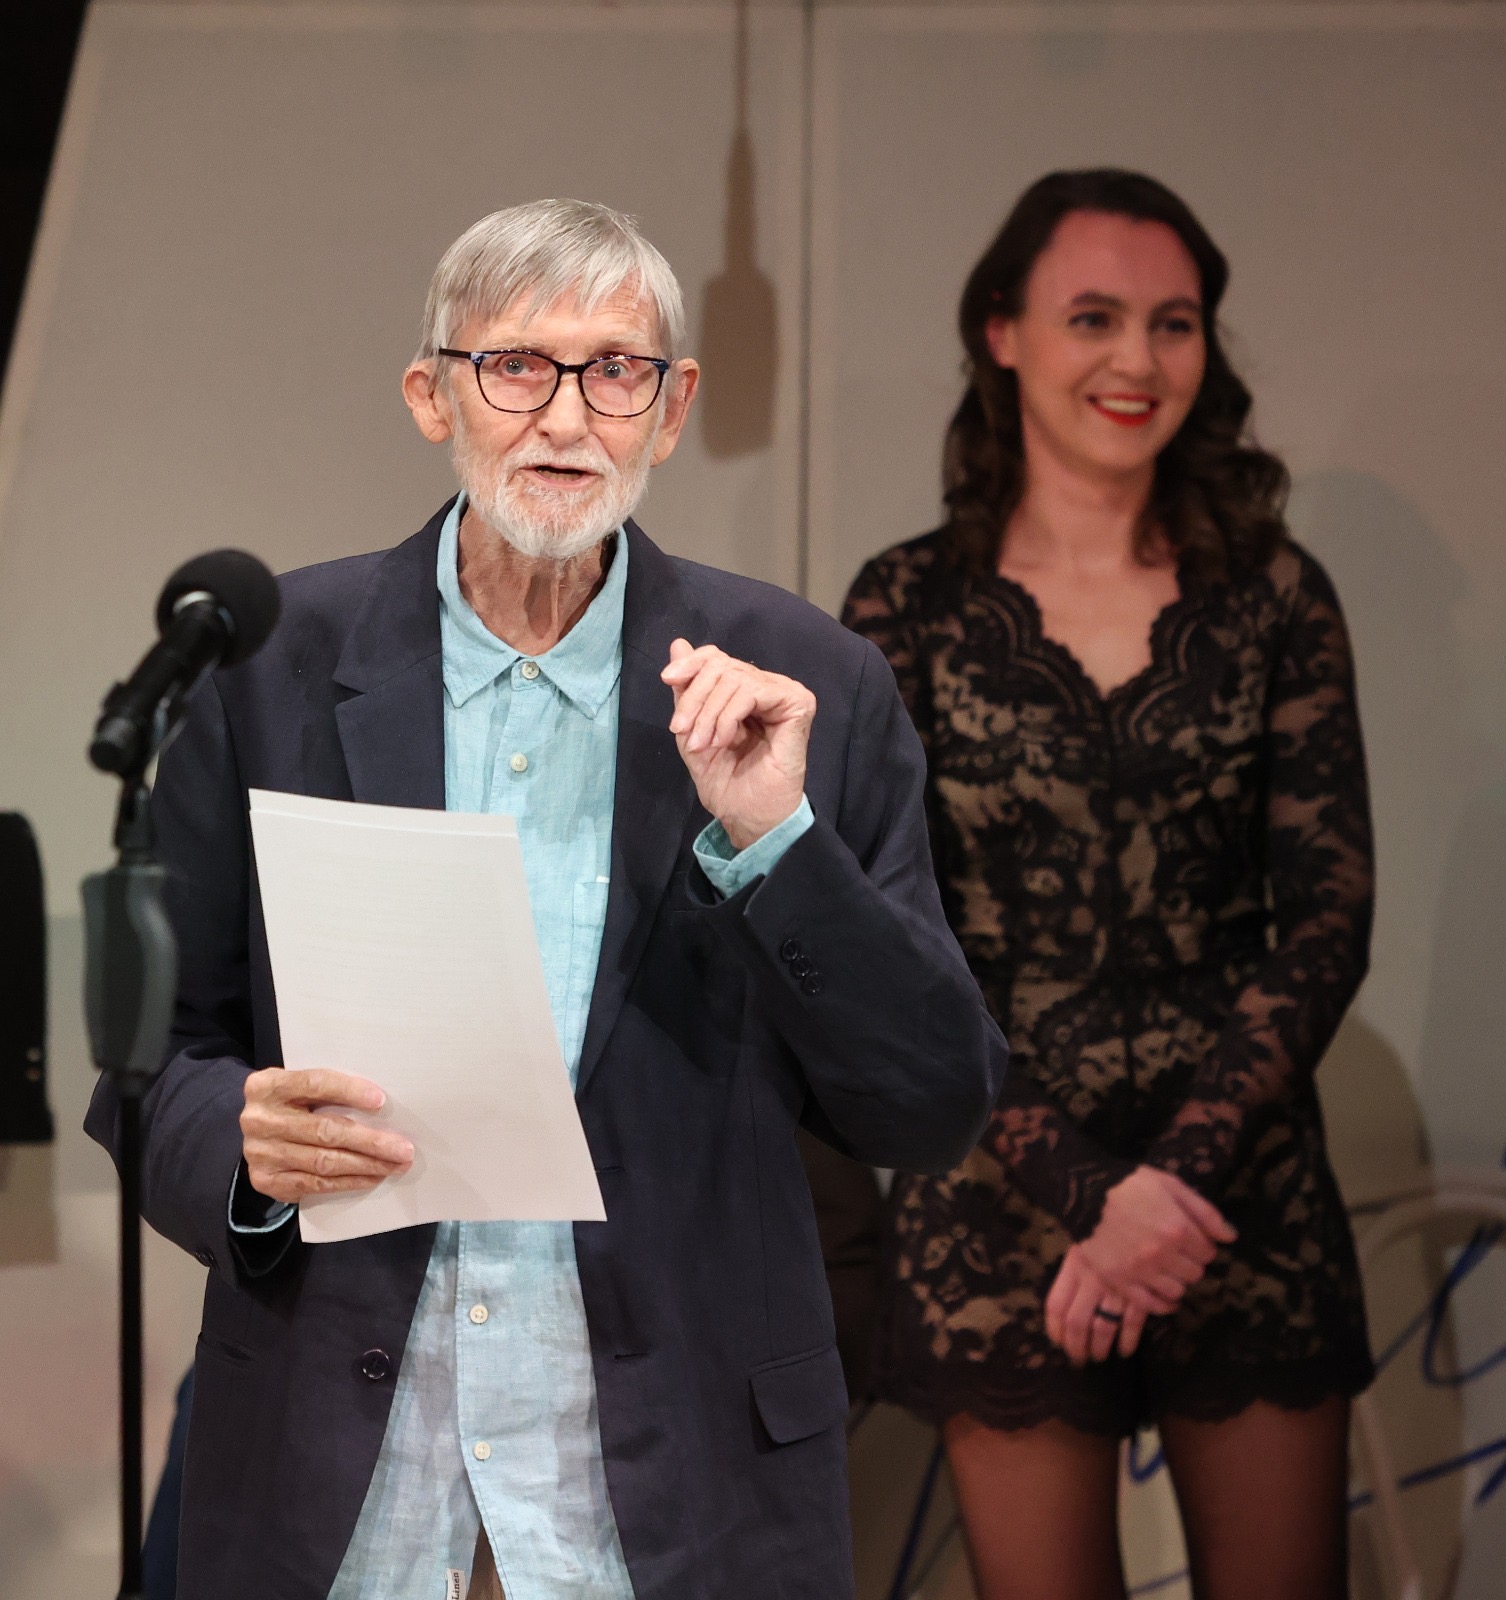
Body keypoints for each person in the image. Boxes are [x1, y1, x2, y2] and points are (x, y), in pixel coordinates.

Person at [86, 198, 1007, 1600]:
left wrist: (775, 839)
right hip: (341, 1481)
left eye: (614, 370)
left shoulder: (804, 680)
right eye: (516, 366)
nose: (566, 417)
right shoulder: (268, 668)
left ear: (671, 409)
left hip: (675, 1485)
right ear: (432, 395)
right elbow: (152, 1061)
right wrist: (243, 1147)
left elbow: (929, 1106)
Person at [842, 169, 1373, 1600]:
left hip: (1238, 1186)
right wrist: (1087, 1193)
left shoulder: (1276, 591)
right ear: (1002, 332)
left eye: (1172, 323)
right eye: (1093, 317)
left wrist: (1171, 1186)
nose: (1136, 359)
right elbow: (894, 941)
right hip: (998, 1186)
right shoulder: (902, 606)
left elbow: (1327, 917)